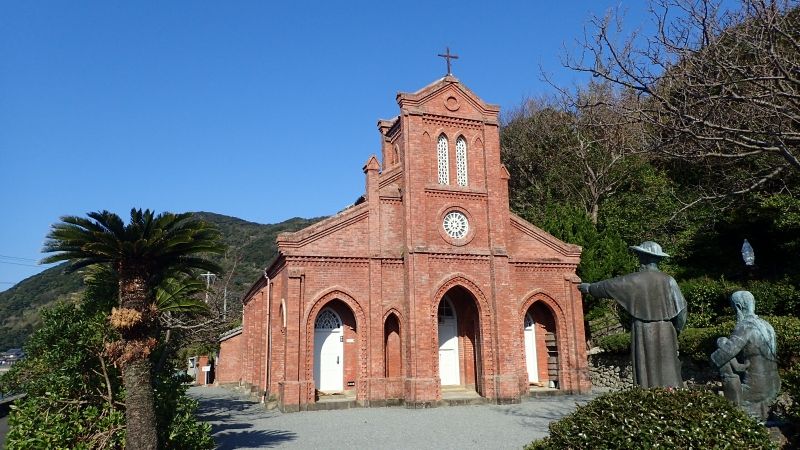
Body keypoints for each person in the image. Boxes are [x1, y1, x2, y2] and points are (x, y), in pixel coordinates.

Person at [579, 241, 687, 388]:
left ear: (643, 257)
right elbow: (681, 311)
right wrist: (677, 330)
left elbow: (608, 286)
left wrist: (590, 288)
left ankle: (647, 398)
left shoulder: (633, 280)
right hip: (667, 330)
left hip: (642, 329)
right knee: (669, 368)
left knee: (646, 368)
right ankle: (673, 396)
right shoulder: (669, 281)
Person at [711, 290, 780, 421]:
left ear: (738, 307)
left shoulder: (745, 326)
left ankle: (734, 414)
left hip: (756, 389)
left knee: (724, 358)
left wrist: (721, 343)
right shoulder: (768, 326)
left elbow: (721, 357)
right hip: (774, 385)